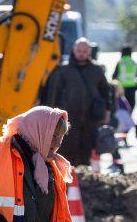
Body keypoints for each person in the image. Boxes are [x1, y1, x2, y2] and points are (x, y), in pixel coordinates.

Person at [41, 37, 114, 166]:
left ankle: (82, 181)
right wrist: (51, 116)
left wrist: (107, 111)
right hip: (68, 120)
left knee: (87, 151)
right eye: (79, 50)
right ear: (74, 50)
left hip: (90, 119)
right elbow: (53, 94)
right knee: (67, 152)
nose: (81, 53)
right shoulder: (63, 69)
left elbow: (106, 91)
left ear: (89, 52)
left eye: (85, 50)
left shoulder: (97, 70)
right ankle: (68, 182)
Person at [112, 45, 137, 110]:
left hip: (121, 89)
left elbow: (114, 76)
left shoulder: (120, 63)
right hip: (132, 88)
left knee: (122, 106)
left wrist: (112, 88)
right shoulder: (134, 63)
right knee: (131, 106)